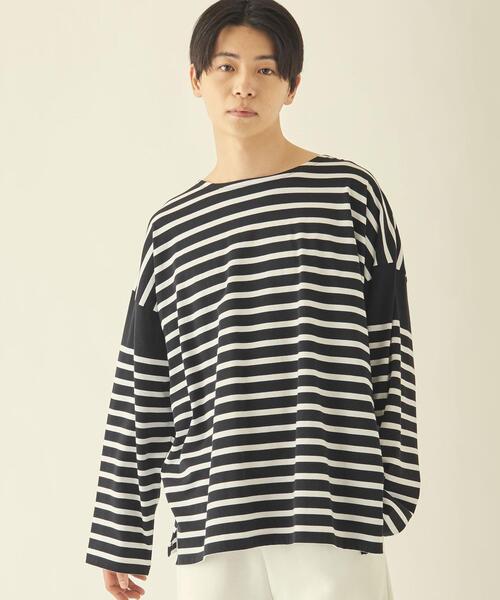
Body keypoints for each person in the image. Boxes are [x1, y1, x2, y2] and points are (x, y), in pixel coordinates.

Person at [85, 1, 420, 598]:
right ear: (196, 78)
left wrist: (386, 490)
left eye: (266, 69)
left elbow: (389, 352)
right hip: (212, 516)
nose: (245, 85)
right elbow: (143, 382)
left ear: (293, 85)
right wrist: (121, 530)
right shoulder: (172, 229)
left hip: (331, 508)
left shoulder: (348, 195)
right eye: (226, 66)